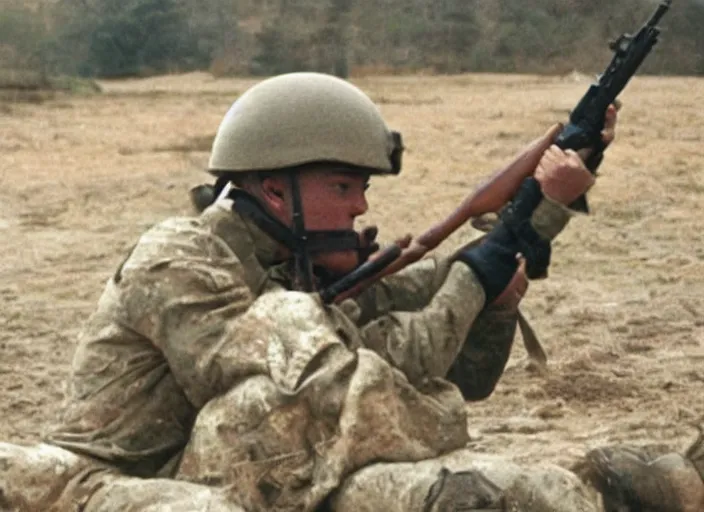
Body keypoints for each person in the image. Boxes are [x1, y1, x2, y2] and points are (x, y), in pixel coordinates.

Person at [0, 72, 658, 512]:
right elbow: (291, 389)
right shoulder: (181, 259)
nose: (361, 204)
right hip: (113, 486)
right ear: (276, 189)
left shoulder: (292, 265)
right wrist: (469, 279)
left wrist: (528, 225)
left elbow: (441, 343)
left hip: (246, 474)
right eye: (343, 186)